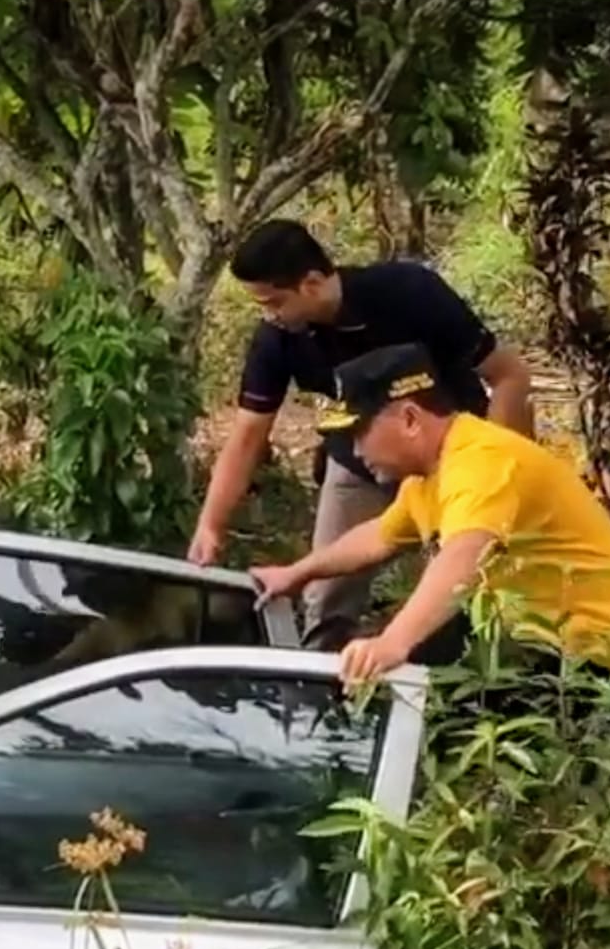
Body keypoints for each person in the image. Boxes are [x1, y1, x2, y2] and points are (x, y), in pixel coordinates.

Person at [188, 220, 534, 649]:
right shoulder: (277, 339)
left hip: (452, 460)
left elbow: (510, 376)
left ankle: (451, 689)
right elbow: (247, 436)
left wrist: (496, 471)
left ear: (311, 283)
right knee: (327, 593)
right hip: (358, 464)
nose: (268, 315)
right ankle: (322, 687)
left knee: (460, 590)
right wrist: (211, 525)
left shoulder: (409, 294)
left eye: (275, 302)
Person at [251, 343, 610, 686]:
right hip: (522, 634)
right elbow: (377, 538)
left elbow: (464, 554)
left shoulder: (480, 462)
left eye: (360, 434)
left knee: (419, 687)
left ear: (409, 419)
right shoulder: (428, 478)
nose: (356, 453)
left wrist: (393, 642)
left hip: (585, 655)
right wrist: (297, 573)